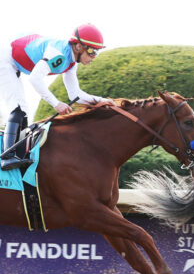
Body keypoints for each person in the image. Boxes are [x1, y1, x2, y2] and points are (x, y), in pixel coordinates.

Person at [0, 24, 111, 171]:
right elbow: (35, 79)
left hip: (16, 60)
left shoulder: (71, 63)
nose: (93, 57)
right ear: (78, 46)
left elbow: (75, 95)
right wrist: (56, 103)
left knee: (25, 112)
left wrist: (102, 101)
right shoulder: (59, 54)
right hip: (6, 59)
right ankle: (7, 157)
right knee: (18, 109)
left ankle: (18, 156)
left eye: (96, 52)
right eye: (92, 51)